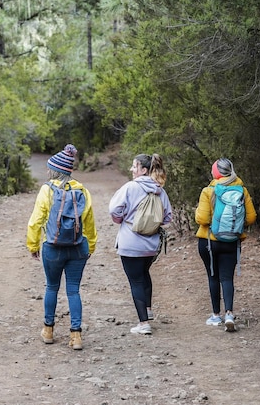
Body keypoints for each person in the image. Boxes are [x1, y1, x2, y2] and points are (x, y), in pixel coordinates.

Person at [27, 144, 97, 350]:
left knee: (52, 287)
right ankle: (76, 336)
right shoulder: (82, 189)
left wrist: (33, 244)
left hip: (53, 247)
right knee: (73, 290)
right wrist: (90, 246)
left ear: (54, 170)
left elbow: (36, 220)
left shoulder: (47, 190)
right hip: (78, 247)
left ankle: (48, 330)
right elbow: (90, 221)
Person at [108, 154, 172, 335]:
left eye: (134, 166)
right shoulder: (159, 190)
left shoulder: (130, 187)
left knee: (135, 280)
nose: (131, 169)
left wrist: (121, 219)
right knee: (144, 273)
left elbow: (114, 209)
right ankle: (148, 310)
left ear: (143, 170)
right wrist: (152, 224)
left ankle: (143, 323)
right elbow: (167, 217)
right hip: (151, 245)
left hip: (130, 242)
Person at [195, 158, 257, 332]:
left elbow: (202, 219)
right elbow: (251, 218)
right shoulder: (242, 190)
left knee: (212, 276)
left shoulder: (209, 191)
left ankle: (216, 316)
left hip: (209, 241)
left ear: (215, 173)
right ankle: (229, 313)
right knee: (227, 278)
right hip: (232, 241)